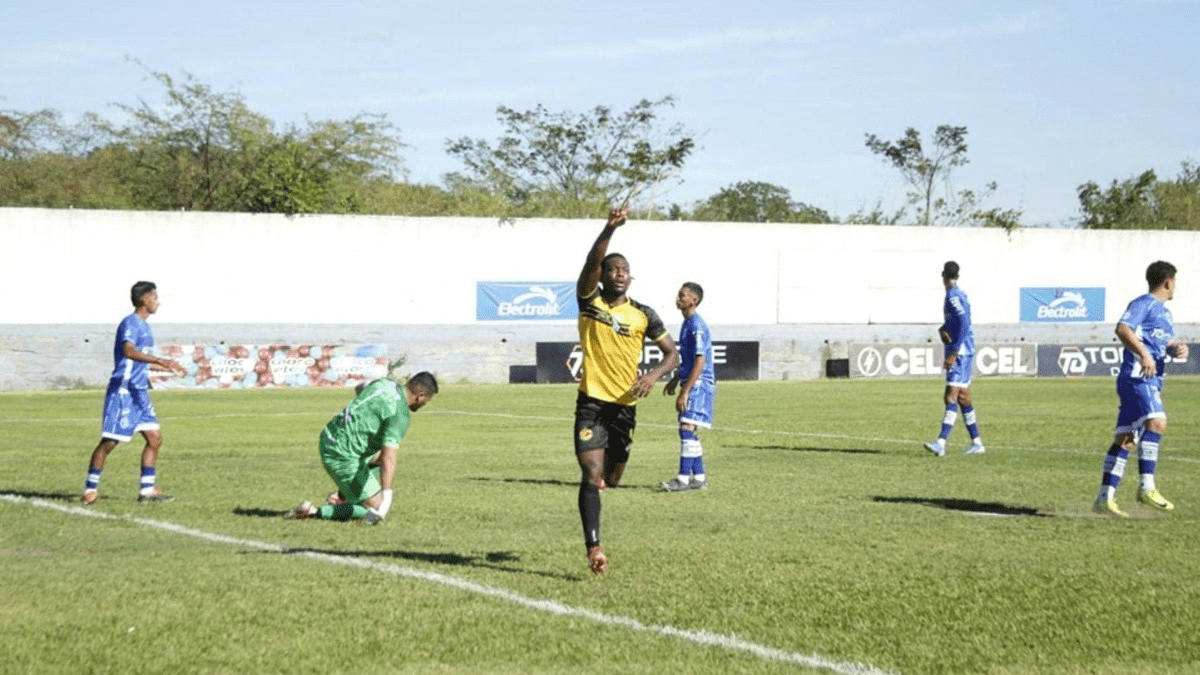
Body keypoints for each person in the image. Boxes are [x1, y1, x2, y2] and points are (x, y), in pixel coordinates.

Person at [574, 206, 680, 574]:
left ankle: (606, 480)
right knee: (590, 474)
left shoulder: (644, 314)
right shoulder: (589, 301)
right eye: (612, 269)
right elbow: (592, 259)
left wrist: (653, 376)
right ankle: (594, 547)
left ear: (631, 279)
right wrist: (609, 230)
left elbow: (673, 355)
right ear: (602, 276)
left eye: (624, 270)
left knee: (613, 479)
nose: (619, 273)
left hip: (625, 408)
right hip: (591, 404)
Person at [1094, 261, 1188, 517]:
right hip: (1138, 377)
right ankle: (1147, 487)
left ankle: (1105, 498)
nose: (1174, 287)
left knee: (1125, 438)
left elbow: (1161, 342)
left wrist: (1176, 348)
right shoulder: (1143, 303)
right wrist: (1145, 355)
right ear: (1168, 282)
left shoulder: (1165, 314)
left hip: (1148, 378)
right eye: (1174, 282)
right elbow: (1123, 329)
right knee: (1157, 422)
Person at [81, 281, 187, 505]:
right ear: (144, 300)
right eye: (155, 297)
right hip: (123, 392)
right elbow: (128, 352)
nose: (158, 301)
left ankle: (146, 491)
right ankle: (90, 488)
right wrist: (161, 359)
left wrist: (168, 367)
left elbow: (142, 363)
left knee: (155, 439)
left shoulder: (146, 327)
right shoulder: (130, 324)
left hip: (140, 393)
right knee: (110, 442)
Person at [284, 372, 439, 524]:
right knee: (375, 510)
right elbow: (389, 457)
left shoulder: (386, 383)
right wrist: (387, 497)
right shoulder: (400, 415)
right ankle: (313, 512)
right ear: (421, 395)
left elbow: (361, 387)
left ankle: (344, 494)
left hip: (330, 435)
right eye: (428, 399)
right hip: (342, 455)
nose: (425, 403)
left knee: (378, 454)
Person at [924, 261, 985, 457]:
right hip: (965, 350)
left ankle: (941, 443)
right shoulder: (959, 293)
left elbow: (965, 321)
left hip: (961, 352)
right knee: (963, 397)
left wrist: (954, 351)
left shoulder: (953, 296)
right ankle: (977, 443)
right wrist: (944, 328)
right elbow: (958, 321)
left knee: (951, 394)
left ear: (943, 275)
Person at [660, 282, 716, 492]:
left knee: (686, 428)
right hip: (693, 382)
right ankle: (699, 477)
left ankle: (683, 480)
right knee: (688, 430)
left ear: (694, 300)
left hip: (699, 385)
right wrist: (676, 378)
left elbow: (700, 361)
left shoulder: (697, 326)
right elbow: (689, 359)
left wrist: (685, 391)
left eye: (682, 295)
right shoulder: (687, 323)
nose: (678, 298)